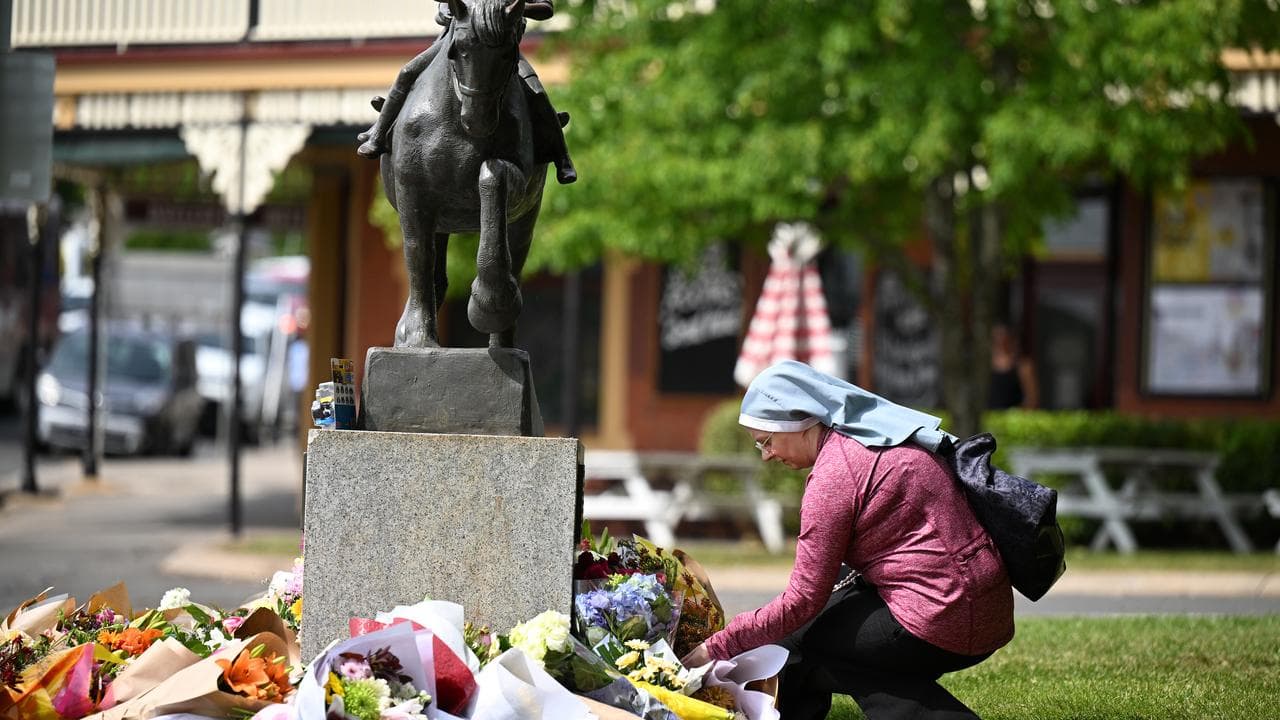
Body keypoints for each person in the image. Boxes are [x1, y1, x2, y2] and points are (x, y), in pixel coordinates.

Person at [681, 360, 1014, 720]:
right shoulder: (874, 437)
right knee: (816, 633)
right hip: (987, 610)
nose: (766, 455)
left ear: (799, 422)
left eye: (767, 441)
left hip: (946, 617)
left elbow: (802, 601)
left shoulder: (834, 478)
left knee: (805, 637)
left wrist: (715, 647)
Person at [356, 0, 577, 185]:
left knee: (535, 91)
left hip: (502, 46)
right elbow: (443, 10)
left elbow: (546, 8)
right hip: (457, 42)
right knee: (407, 72)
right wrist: (457, 10)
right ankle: (378, 134)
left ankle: (562, 157)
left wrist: (513, 10)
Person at [988, 322, 1038, 409]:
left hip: (1013, 419)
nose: (1000, 341)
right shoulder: (984, 365)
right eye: (996, 338)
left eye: (1003, 337)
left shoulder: (1022, 365)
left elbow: (1032, 397)